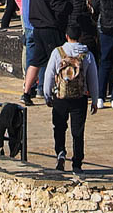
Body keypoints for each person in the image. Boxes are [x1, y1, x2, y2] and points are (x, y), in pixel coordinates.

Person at [40, 24, 100, 173]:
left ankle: (60, 153)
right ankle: (77, 163)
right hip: (79, 98)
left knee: (59, 127)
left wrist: (47, 95)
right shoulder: (87, 54)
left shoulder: (58, 52)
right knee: (78, 131)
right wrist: (95, 99)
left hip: (60, 96)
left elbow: (48, 75)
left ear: (66, 36)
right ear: (80, 37)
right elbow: (93, 79)